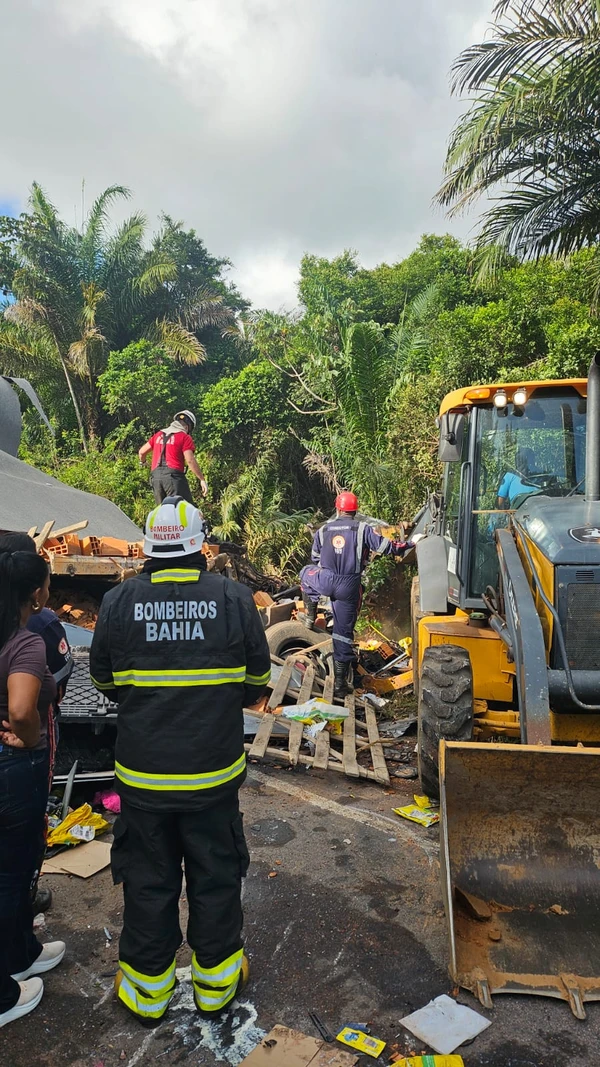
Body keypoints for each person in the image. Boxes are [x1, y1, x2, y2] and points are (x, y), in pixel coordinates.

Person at [90, 496, 271, 1025]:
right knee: (215, 877)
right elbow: (256, 685)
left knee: (149, 880)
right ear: (199, 548)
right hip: (212, 780)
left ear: (149, 550)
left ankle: (148, 994)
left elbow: (105, 684)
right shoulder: (234, 600)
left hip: (143, 782)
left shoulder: (119, 603)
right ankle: (215, 991)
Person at [0, 550, 66, 1029]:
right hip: (14, 766)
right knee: (11, 869)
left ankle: (22, 953)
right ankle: (4, 993)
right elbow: (23, 709)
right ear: (35, 592)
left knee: (19, 865)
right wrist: (25, 736)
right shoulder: (26, 642)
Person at [0, 531, 74, 913]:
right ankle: (21, 924)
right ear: (35, 589)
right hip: (23, 746)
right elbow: (51, 685)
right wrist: (30, 739)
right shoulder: (39, 629)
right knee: (22, 841)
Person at [300, 492, 413, 698]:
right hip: (349, 586)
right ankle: (341, 685)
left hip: (326, 579)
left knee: (305, 572)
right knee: (342, 634)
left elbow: (315, 557)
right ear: (355, 510)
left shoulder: (324, 529)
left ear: (338, 508)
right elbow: (387, 547)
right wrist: (410, 544)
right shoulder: (363, 529)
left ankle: (310, 614)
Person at [139, 410, 208, 505]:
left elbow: (142, 452)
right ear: (188, 427)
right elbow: (190, 460)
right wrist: (201, 479)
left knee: (162, 511)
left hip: (156, 478)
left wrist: (143, 462)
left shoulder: (158, 435)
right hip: (174, 478)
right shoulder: (184, 437)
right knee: (186, 508)